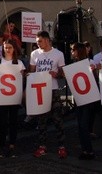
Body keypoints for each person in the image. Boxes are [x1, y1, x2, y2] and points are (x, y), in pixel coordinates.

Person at [29, 30, 68, 158]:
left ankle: (61, 146)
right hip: (40, 90)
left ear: (47, 40)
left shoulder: (58, 54)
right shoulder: (34, 54)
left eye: (40, 41)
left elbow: (63, 73)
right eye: (37, 42)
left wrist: (57, 74)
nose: (38, 44)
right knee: (41, 121)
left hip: (53, 89)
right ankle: (42, 146)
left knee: (57, 119)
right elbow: (32, 72)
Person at [0, 39, 25, 158]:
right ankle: (2, 145)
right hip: (1, 97)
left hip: (13, 97)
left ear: (14, 48)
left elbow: (22, 78)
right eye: (5, 47)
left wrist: (22, 74)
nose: (7, 49)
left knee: (13, 122)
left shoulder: (19, 63)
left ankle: (12, 145)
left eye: (10, 47)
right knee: (2, 123)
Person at [70, 42, 95, 160]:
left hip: (88, 99)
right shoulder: (75, 64)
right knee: (80, 125)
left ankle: (89, 150)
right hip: (78, 98)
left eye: (73, 50)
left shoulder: (89, 62)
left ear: (78, 51)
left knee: (85, 125)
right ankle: (84, 150)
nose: (71, 52)